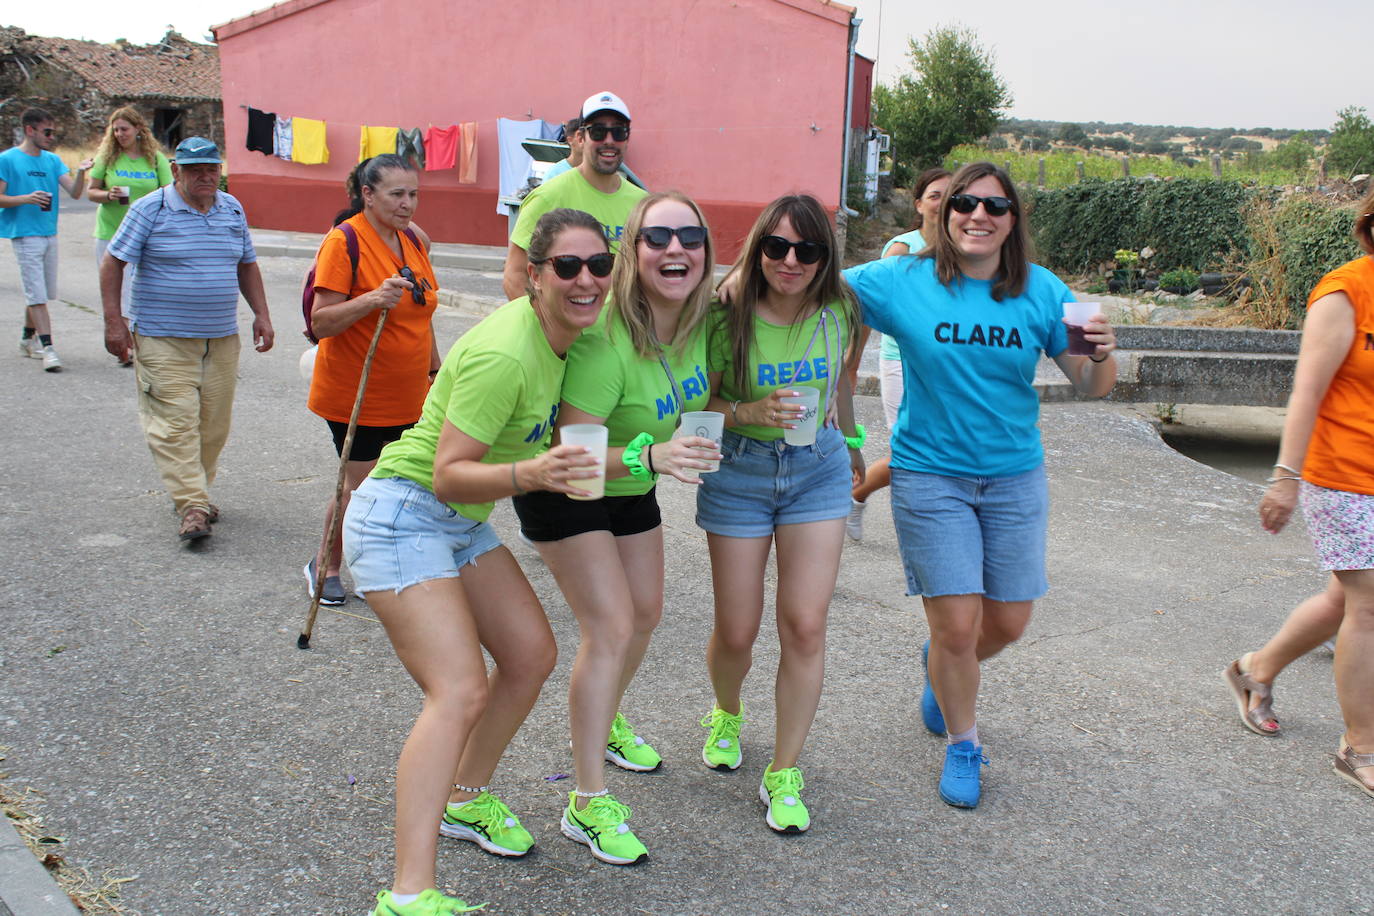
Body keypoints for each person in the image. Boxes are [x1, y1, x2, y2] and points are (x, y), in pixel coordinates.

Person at [343, 208, 608, 916]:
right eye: (568, 267)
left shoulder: (565, 341)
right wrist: (531, 474)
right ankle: (407, 894)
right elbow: (449, 475)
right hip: (403, 514)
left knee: (529, 655)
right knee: (458, 692)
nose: (587, 280)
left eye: (599, 265)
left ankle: (464, 797)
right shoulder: (507, 353)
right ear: (533, 276)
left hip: (454, 524)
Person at [843, 162, 1118, 809]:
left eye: (994, 206)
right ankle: (964, 743)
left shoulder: (1050, 291)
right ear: (942, 212)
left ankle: (940, 667)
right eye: (964, 202)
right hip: (929, 476)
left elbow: (1092, 384)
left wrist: (1104, 353)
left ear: (1012, 220)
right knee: (960, 628)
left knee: (1009, 623)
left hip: (1014, 479)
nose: (977, 214)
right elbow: (812, 283)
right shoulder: (902, 278)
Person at [512, 192, 720, 864]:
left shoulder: (695, 327)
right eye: (657, 237)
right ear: (632, 251)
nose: (675, 249)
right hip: (571, 491)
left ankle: (603, 722)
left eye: (690, 237)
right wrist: (655, 454)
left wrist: (706, 434)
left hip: (631, 487)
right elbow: (571, 460)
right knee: (611, 627)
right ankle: (587, 802)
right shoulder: (606, 343)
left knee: (647, 613)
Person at [695, 193, 864, 834]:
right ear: (760, 246)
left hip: (815, 470)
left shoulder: (842, 308)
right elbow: (704, 402)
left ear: (826, 257)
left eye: (807, 250)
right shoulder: (725, 312)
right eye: (777, 247)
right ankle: (727, 711)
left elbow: (842, 380)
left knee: (805, 626)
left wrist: (849, 442)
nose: (791, 261)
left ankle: (784, 770)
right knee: (738, 630)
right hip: (739, 469)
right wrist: (749, 413)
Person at [1233, 186, 1374, 800]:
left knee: (1343, 599)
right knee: (1369, 605)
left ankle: (1254, 670)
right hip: (1344, 473)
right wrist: (1285, 477)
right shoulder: (1346, 291)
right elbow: (1307, 391)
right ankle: (1360, 747)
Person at [99, 137, 274, 543]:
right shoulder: (151, 208)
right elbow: (113, 262)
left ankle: (190, 490)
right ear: (176, 171)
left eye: (212, 168)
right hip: (163, 337)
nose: (206, 176)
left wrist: (261, 314)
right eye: (196, 170)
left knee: (213, 425)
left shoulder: (231, 207)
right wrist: (114, 321)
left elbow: (247, 265)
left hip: (220, 338)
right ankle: (193, 504)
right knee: (174, 424)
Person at [305, 155, 440, 606]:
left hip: (410, 394)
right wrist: (371, 300)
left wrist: (436, 372)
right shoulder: (343, 243)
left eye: (414, 194)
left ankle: (382, 565)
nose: (407, 204)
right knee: (363, 489)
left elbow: (424, 315)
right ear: (367, 194)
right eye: (396, 194)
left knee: (397, 484)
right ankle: (325, 567)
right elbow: (321, 321)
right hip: (357, 394)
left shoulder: (414, 240)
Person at [846, 168, 951, 540]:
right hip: (900, 363)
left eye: (953, 194)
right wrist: (853, 364)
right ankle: (857, 495)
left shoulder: (966, 250)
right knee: (907, 449)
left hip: (944, 366)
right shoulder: (903, 249)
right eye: (935, 195)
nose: (944, 201)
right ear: (920, 203)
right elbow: (864, 307)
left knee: (937, 447)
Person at [502, 90, 646, 299]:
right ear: (580, 138)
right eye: (597, 131)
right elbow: (515, 275)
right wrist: (543, 328)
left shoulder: (642, 204)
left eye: (618, 132)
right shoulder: (548, 197)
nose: (609, 140)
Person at [0, 107, 93, 372]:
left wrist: (82, 172)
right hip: (23, 233)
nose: (51, 137)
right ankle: (48, 348)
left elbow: (75, 194)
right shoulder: (7, 160)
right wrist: (25, 198)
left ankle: (26, 340)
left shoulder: (52, 161)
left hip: (49, 233)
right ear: (30, 130)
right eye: (47, 132)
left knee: (42, 292)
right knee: (36, 293)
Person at [87, 106, 173, 365]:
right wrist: (107, 195)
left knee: (140, 289)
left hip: (146, 235)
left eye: (124, 129)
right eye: (115, 130)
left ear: (138, 130)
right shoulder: (107, 157)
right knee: (118, 289)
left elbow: (168, 191)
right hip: (110, 231)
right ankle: (126, 346)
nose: (119, 134)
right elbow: (91, 192)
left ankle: (139, 341)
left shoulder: (154, 159)